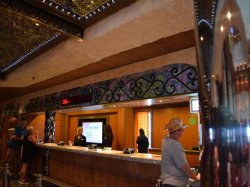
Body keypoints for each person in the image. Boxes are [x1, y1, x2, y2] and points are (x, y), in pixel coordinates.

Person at [161, 118, 200, 187]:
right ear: (177, 131)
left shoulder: (165, 140)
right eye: (182, 130)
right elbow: (184, 166)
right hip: (174, 183)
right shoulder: (175, 145)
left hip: (167, 182)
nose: (182, 133)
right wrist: (196, 178)